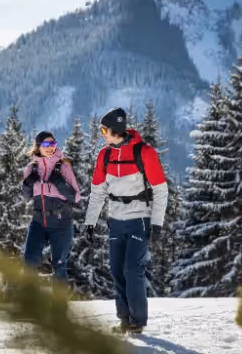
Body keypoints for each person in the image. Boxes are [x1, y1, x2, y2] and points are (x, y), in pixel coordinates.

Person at [81, 108, 169, 335]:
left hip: (139, 219)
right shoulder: (105, 155)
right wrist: (90, 222)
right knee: (117, 270)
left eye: (104, 130)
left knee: (133, 270)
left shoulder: (145, 153)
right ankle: (124, 319)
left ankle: (137, 321)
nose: (102, 134)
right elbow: (98, 191)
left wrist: (157, 223)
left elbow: (160, 190)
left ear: (116, 130)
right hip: (115, 220)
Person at [20, 131, 82, 288]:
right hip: (38, 221)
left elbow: (76, 196)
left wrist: (59, 182)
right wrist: (27, 183)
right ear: (38, 146)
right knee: (29, 263)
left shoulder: (63, 167)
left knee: (59, 266)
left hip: (61, 223)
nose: (50, 147)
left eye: (52, 144)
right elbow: (26, 196)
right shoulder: (31, 168)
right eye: (46, 144)